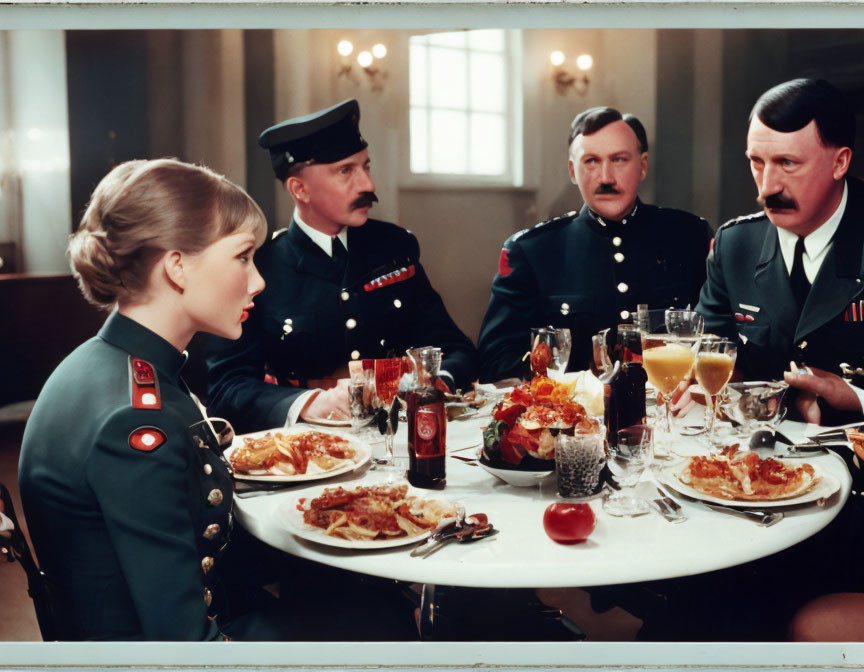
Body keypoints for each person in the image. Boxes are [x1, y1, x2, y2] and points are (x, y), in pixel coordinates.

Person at [17, 158, 280, 640]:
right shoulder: (137, 418)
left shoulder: (103, 363)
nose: (257, 281)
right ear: (177, 266)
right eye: (243, 256)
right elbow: (184, 645)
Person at [206, 99, 478, 434]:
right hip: (312, 451)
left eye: (366, 167)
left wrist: (431, 383)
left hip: (401, 438)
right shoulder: (261, 267)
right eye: (345, 171)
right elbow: (226, 388)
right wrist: (310, 403)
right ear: (299, 189)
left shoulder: (393, 249)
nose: (367, 185)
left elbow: (456, 350)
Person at [477, 106, 712, 382]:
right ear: (572, 171)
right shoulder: (532, 252)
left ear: (643, 166)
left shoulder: (689, 236)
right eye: (591, 161)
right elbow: (495, 362)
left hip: (674, 414)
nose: (605, 178)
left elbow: (718, 341)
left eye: (619, 160)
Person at [696, 78, 864, 425]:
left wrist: (853, 396)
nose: (768, 186)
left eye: (787, 163)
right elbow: (709, 356)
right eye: (757, 162)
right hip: (758, 461)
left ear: (840, 162)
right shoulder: (736, 246)